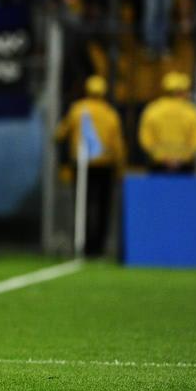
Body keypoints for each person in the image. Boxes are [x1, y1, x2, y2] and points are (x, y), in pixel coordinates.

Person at [55, 76, 126, 257]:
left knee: (82, 206)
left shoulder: (77, 109)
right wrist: (120, 168)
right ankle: (99, 247)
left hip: (81, 164)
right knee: (103, 207)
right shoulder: (110, 113)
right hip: (104, 165)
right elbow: (117, 144)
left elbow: (59, 134)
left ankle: (82, 245)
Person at [138, 72, 196, 174]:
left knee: (158, 190)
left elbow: (146, 139)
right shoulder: (191, 112)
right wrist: (181, 158)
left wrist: (163, 157)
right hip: (184, 166)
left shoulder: (152, 109)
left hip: (158, 165)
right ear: (181, 92)